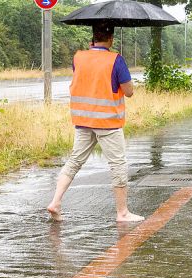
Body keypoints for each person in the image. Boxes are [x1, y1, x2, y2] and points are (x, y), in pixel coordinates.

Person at [46, 24, 142, 223]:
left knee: (74, 161)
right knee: (117, 164)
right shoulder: (116, 60)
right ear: (111, 39)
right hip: (107, 122)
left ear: (93, 38)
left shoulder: (78, 57)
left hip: (83, 120)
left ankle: (55, 202)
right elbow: (129, 91)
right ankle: (122, 213)